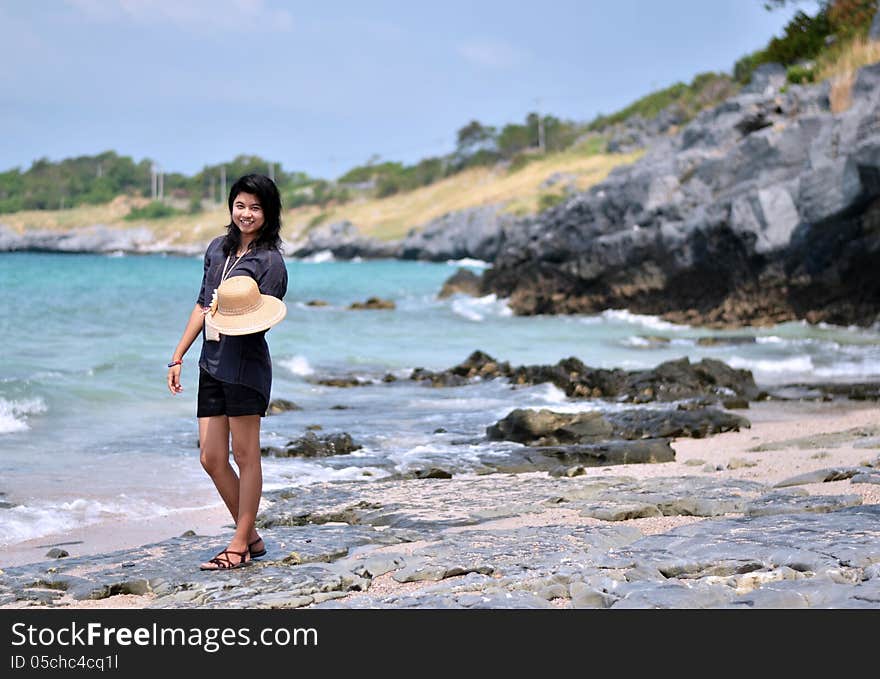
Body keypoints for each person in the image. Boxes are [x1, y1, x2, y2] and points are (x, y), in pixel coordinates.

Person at [167, 173, 288, 570]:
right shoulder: (217, 249)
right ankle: (250, 534)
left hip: (245, 368)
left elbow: (262, 319)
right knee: (211, 457)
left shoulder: (270, 262)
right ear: (230, 207)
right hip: (210, 363)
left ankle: (238, 545)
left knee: (246, 454)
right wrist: (178, 354)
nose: (246, 213)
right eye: (240, 205)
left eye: (255, 207)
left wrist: (235, 309)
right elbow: (203, 305)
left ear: (268, 213)